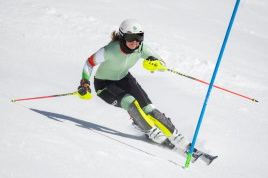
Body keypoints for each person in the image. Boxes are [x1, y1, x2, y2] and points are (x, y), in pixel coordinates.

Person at [77, 19, 217, 164]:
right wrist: (85, 82)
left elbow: (162, 63)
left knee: (149, 109)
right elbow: (89, 63)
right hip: (104, 85)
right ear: (122, 36)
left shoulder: (141, 48)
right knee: (129, 102)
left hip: (125, 79)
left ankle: (181, 140)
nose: (135, 42)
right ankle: (155, 135)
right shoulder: (109, 51)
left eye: (139, 37)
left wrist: (155, 63)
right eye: (131, 38)